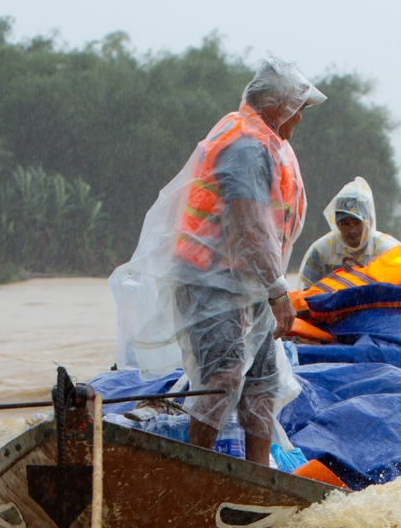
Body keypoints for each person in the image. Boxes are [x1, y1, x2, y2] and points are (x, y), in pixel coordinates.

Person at [108, 63, 329, 469]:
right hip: (213, 283)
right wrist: (280, 292)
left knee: (263, 385)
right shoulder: (245, 147)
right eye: (298, 108)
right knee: (222, 378)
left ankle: (260, 476)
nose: (300, 117)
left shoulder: (270, 142)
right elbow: (249, 226)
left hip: (251, 285)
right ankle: (198, 471)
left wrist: (269, 289)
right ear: (277, 105)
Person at [298, 177, 400, 287]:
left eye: (357, 222)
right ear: (336, 224)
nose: (352, 230)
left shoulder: (389, 250)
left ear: (367, 222)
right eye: (345, 223)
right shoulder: (321, 251)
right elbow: (305, 293)